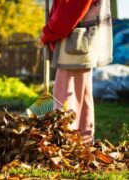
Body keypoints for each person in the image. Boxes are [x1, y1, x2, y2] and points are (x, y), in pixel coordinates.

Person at [40, 0, 113, 144]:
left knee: (67, 95)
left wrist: (48, 33)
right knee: (80, 93)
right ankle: (82, 142)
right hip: (82, 41)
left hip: (76, 42)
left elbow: (70, 11)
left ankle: (66, 143)